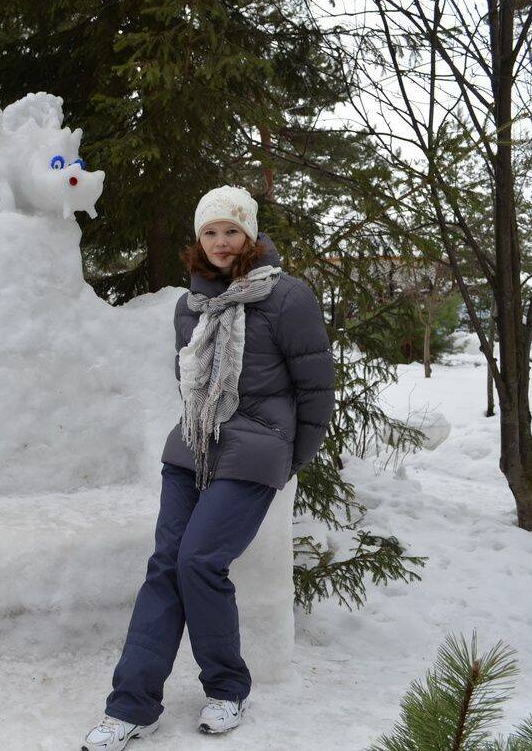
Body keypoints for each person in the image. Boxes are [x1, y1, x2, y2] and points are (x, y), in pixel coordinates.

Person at [82, 186, 336, 750]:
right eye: (210, 232)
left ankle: (226, 689)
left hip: (254, 454)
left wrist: (289, 458)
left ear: (250, 235)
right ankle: (131, 705)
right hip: (192, 449)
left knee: (199, 560)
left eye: (232, 231)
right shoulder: (189, 304)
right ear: (199, 239)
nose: (221, 243)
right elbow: (190, 382)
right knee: (166, 566)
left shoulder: (288, 297)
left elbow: (316, 389)